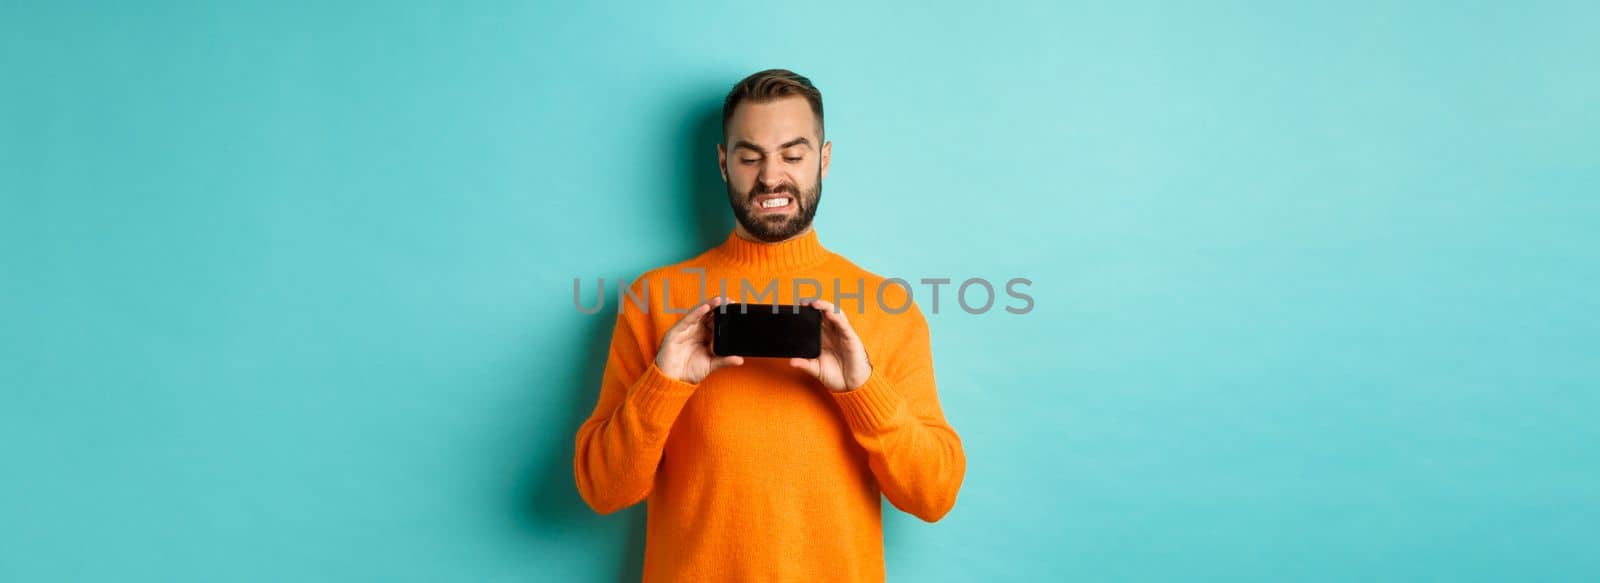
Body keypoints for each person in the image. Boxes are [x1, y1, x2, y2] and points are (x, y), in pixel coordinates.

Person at [573, 68, 966, 582]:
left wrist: (863, 389)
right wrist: (663, 384)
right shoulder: (654, 298)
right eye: (749, 156)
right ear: (723, 163)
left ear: (824, 160)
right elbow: (604, 491)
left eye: (793, 155)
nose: (770, 177)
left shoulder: (887, 305)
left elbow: (933, 496)